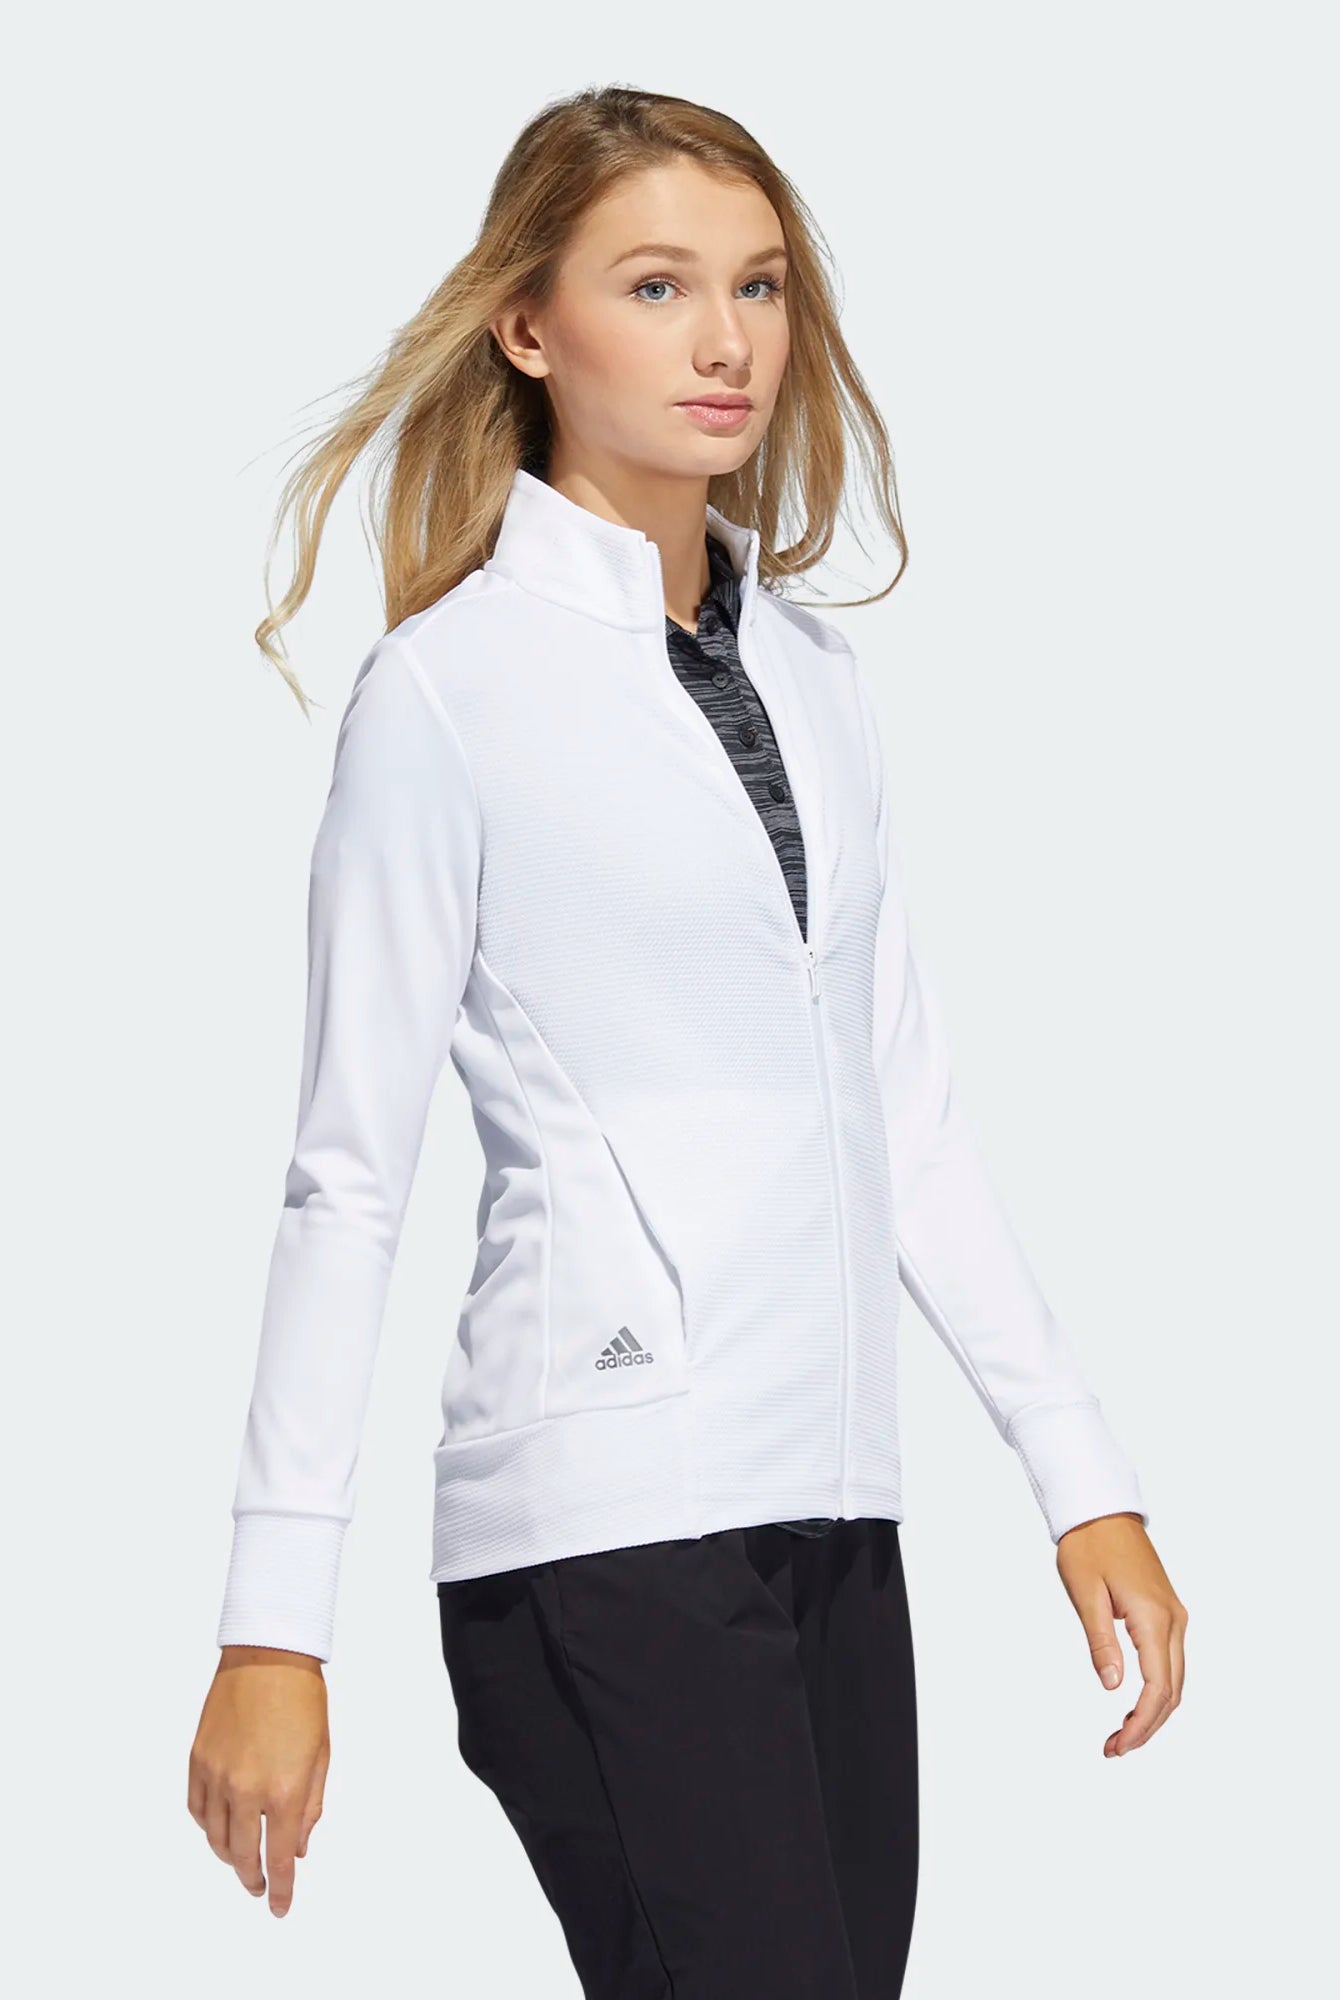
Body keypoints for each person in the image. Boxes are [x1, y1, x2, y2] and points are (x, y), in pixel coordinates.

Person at [188, 84, 1188, 1998]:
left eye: (760, 285)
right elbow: (347, 1176)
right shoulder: (447, 694)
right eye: (657, 286)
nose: (726, 339)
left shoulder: (818, 674)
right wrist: (271, 1625)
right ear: (528, 324)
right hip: (604, 1518)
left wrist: (1085, 1479)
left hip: (832, 1508)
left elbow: (909, 1114)